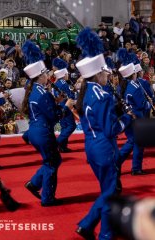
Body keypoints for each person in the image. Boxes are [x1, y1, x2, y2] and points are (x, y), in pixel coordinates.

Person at [74, 28, 134, 240]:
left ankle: (91, 226)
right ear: (98, 73)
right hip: (104, 148)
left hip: (91, 147)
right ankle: (101, 232)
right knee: (110, 193)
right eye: (106, 72)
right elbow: (111, 129)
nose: (108, 76)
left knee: (107, 190)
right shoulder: (102, 96)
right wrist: (127, 119)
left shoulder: (88, 92)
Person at [21, 40, 74, 207]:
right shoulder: (42, 93)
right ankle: (47, 198)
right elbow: (54, 116)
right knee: (52, 162)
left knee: (52, 160)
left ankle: (34, 183)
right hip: (43, 132)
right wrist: (65, 106)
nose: (48, 76)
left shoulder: (36, 91)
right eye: (45, 74)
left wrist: (56, 101)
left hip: (36, 131)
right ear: (40, 75)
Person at [117, 50, 151, 175]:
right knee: (137, 142)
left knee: (133, 141)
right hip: (137, 116)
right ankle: (133, 167)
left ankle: (121, 164)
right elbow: (143, 104)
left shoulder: (122, 85)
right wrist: (149, 104)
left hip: (127, 116)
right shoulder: (135, 87)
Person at [53, 58, 77, 152]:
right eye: (67, 74)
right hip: (65, 107)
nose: (68, 75)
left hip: (59, 106)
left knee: (65, 126)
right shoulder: (64, 84)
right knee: (71, 126)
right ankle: (58, 142)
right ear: (63, 74)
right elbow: (71, 96)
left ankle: (62, 146)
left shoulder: (57, 83)